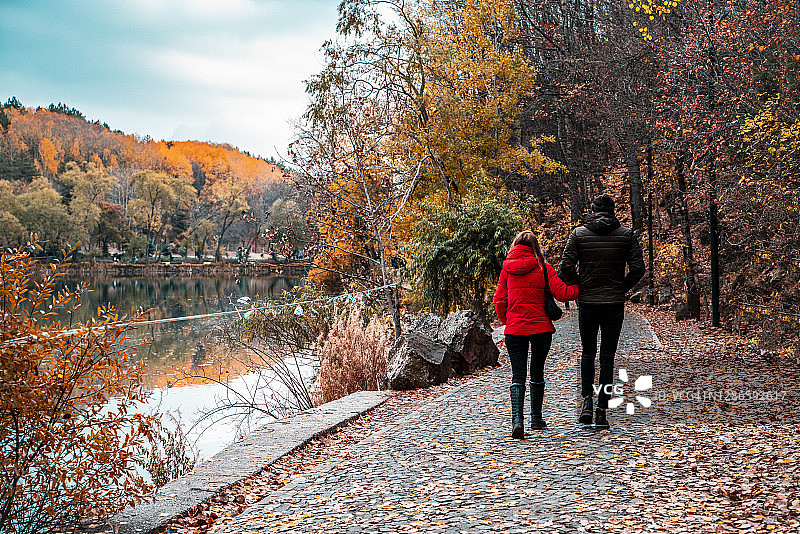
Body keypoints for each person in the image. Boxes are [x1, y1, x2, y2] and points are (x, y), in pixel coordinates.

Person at [560, 194, 645, 429]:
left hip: (588, 303)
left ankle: (586, 401)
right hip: (613, 304)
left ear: (593, 210)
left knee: (587, 353)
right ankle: (602, 411)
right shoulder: (627, 235)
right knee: (607, 357)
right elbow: (638, 269)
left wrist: (579, 286)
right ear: (613, 211)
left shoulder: (578, 234)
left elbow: (565, 266)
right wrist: (622, 287)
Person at [494, 230, 579, 439]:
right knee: (537, 372)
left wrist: (508, 321)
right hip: (541, 328)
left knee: (517, 376)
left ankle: (517, 421)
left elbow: (499, 299)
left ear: (515, 246)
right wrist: (581, 287)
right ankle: (536, 417)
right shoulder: (544, 268)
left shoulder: (506, 270)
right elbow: (562, 293)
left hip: (515, 330)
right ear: (535, 247)